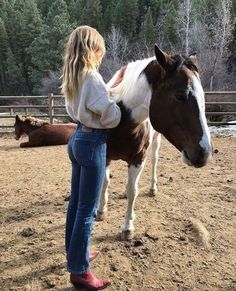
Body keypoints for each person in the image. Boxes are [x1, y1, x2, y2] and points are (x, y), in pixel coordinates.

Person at [61, 26, 121, 290]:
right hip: (93, 141)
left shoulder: (71, 76)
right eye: (99, 49)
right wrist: (115, 106)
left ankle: (74, 254)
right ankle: (81, 272)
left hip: (76, 139)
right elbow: (110, 115)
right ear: (91, 48)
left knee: (76, 203)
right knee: (87, 209)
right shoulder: (93, 77)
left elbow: (76, 109)